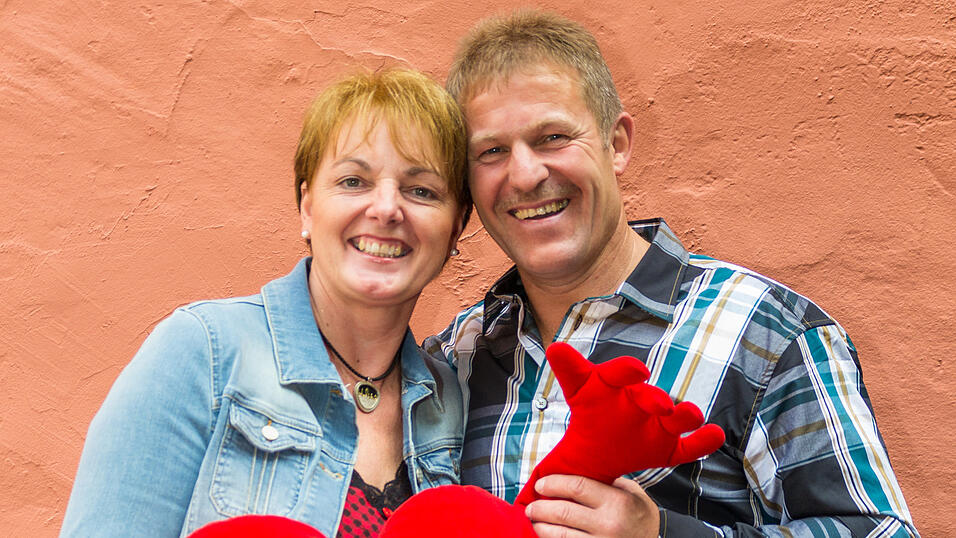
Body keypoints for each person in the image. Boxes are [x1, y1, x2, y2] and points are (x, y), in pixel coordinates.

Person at [424, 10, 918, 537]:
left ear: (617, 144)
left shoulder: (768, 333)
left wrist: (662, 533)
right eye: (492, 151)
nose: (525, 175)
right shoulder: (453, 360)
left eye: (552, 137)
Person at [60, 68, 470, 538]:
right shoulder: (204, 354)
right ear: (307, 207)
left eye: (421, 191)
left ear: (456, 227)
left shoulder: (450, 399)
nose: (386, 208)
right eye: (353, 181)